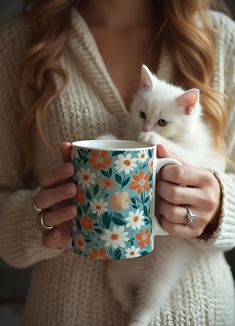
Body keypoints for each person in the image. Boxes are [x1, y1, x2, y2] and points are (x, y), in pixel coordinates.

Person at [0, 0, 234, 325]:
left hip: (203, 313)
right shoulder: (19, 41)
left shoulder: (222, 37)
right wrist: (37, 221)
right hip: (64, 315)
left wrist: (222, 207)